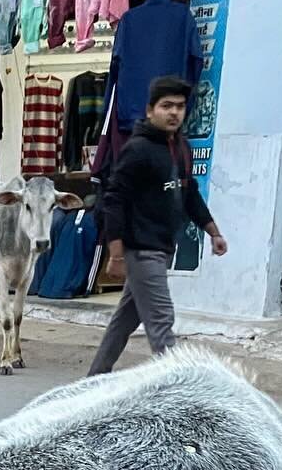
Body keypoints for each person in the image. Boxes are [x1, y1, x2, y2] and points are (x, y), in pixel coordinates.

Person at [86, 75, 226, 376]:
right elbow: (114, 199)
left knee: (124, 321)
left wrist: (213, 231)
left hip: (161, 249)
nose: (174, 112)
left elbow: (190, 195)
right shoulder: (138, 149)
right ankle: (179, 388)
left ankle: (93, 380)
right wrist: (117, 252)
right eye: (166, 106)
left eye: (179, 106)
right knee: (162, 320)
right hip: (141, 250)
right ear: (151, 110)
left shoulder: (182, 148)